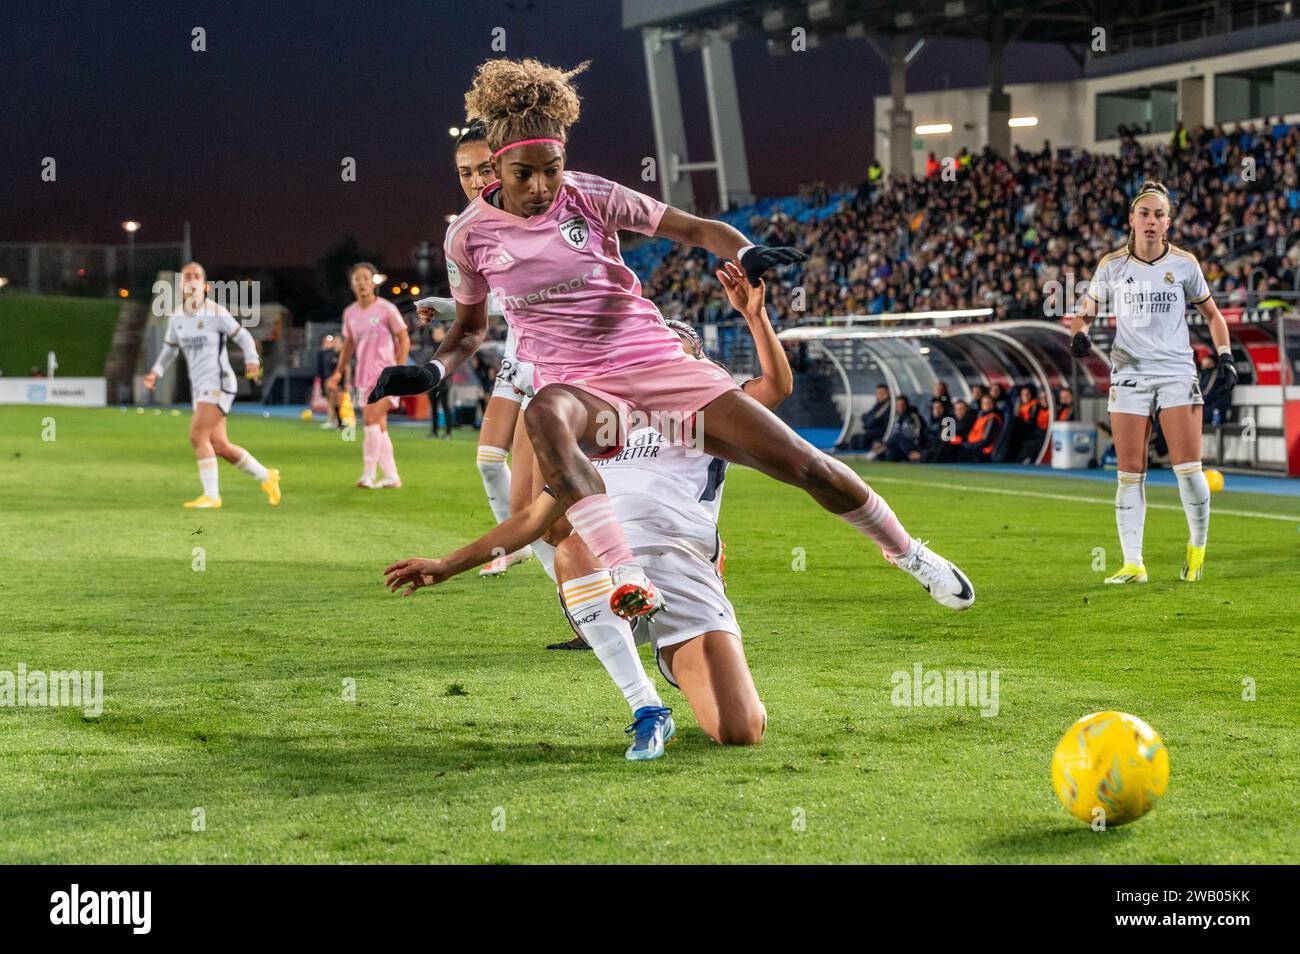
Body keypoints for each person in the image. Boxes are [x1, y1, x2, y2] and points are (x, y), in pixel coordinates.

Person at [372, 57, 973, 638]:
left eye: (552, 169)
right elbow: (471, 329)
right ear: (495, 171)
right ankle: (626, 574)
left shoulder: (590, 195)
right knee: (545, 413)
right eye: (525, 174)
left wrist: (746, 252)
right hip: (581, 389)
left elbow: (697, 230)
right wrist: (429, 371)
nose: (541, 186)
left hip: (656, 364)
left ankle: (908, 553)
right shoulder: (468, 236)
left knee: (805, 465)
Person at [384, 262, 790, 758]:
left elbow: (774, 387)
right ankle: (647, 708)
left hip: (684, 567)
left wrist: (755, 316)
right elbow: (532, 520)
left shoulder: (711, 420)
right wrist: (449, 564)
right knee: (574, 546)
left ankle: (681, 657)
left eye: (674, 357)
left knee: (740, 731)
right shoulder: (603, 427)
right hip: (607, 570)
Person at [1070, 179, 1236, 583]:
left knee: (1188, 468)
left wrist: (1226, 356)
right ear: (1131, 219)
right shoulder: (1112, 266)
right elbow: (1085, 312)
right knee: (1129, 472)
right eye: (1144, 213)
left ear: (1168, 223)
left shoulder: (1184, 264)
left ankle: (1196, 550)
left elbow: (1213, 315)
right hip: (1128, 373)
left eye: (1159, 215)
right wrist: (1079, 334)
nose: (1151, 220)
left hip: (1177, 371)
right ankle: (1133, 564)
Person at [416, 120, 540, 577]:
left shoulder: (541, 211)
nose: (475, 181)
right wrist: (451, 309)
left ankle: (601, 603)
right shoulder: (468, 233)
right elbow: (502, 303)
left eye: (485, 168)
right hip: (518, 355)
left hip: (559, 363)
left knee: (551, 499)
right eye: (464, 173)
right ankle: (516, 544)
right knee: (490, 461)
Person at [143, 261, 280, 509]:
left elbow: (243, 335)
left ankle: (212, 496)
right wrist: (155, 372)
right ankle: (267, 476)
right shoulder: (176, 318)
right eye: (187, 277)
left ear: (205, 286)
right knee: (219, 445)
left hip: (218, 382)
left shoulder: (215, 313)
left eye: (197, 276)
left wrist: (251, 359)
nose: (192, 280)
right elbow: (169, 351)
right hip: (200, 388)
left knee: (197, 436)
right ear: (181, 285)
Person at [329, 262, 410, 489]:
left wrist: (400, 369)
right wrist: (338, 371)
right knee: (380, 426)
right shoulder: (350, 313)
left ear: (373, 281)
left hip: (387, 375)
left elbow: (403, 338)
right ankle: (392, 476)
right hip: (363, 378)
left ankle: (368, 474)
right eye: (357, 279)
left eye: (366, 278)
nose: (362, 282)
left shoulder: (386, 309)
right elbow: (349, 345)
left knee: (371, 419)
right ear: (352, 285)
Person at [880, 395, 925, 462]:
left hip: (912, 445)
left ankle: (882, 447)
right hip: (899, 446)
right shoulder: (896, 418)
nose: (900, 407)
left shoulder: (914, 416)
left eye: (902, 405)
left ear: (906, 405)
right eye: (898, 405)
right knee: (890, 453)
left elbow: (918, 434)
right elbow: (891, 433)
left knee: (898, 436)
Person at [316, 334, 346, 428]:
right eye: (334, 342)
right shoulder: (330, 354)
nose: (335, 344)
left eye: (337, 342)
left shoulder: (343, 354)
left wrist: (347, 381)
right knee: (332, 401)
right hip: (332, 381)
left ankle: (338, 421)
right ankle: (334, 421)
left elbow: (347, 368)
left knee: (338, 402)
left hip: (339, 381)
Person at [854, 383, 891, 451]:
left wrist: (870, 421)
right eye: (878, 393)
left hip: (880, 433)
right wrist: (870, 420)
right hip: (870, 431)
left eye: (882, 393)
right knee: (854, 439)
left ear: (887, 394)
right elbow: (865, 416)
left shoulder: (889, 407)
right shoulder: (877, 405)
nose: (879, 396)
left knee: (863, 439)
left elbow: (875, 421)